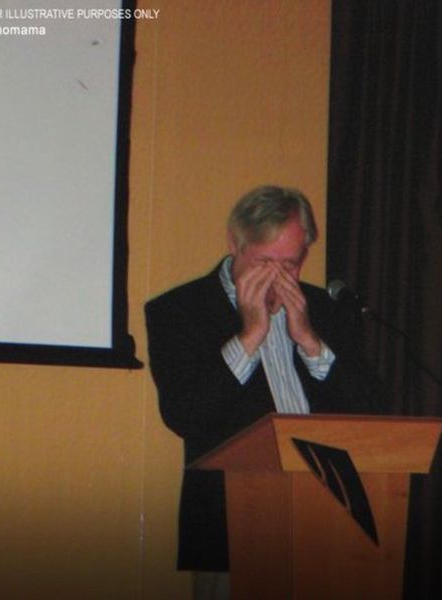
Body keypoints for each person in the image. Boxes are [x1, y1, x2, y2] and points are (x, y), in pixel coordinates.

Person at [145, 185, 385, 599]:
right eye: (264, 262)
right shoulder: (179, 311)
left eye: (290, 265)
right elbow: (184, 414)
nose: (278, 277)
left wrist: (311, 342)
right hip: (234, 531)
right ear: (235, 246)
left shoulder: (325, 309)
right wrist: (250, 336)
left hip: (329, 522)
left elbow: (373, 409)